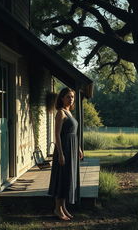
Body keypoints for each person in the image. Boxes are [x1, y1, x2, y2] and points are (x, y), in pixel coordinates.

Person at [48, 87, 83, 220]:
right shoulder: (60, 113)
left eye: (72, 97)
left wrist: (78, 148)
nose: (71, 99)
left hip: (72, 148)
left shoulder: (69, 113)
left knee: (68, 178)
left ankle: (63, 208)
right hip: (64, 149)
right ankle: (57, 209)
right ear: (62, 98)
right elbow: (57, 135)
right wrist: (61, 154)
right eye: (68, 96)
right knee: (62, 178)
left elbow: (73, 133)